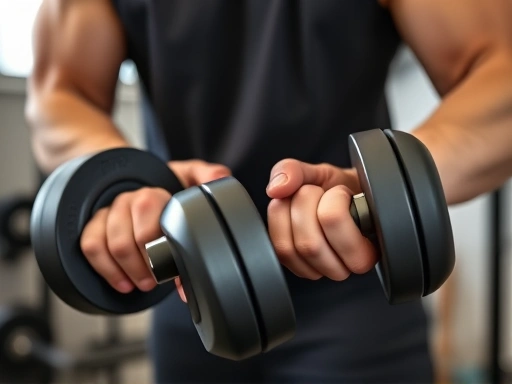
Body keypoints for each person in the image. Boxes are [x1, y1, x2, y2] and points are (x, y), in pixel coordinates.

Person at [26, 0, 512, 382]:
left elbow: (499, 70)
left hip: (352, 290)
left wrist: (383, 190)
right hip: (191, 292)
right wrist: (123, 188)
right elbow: (60, 92)